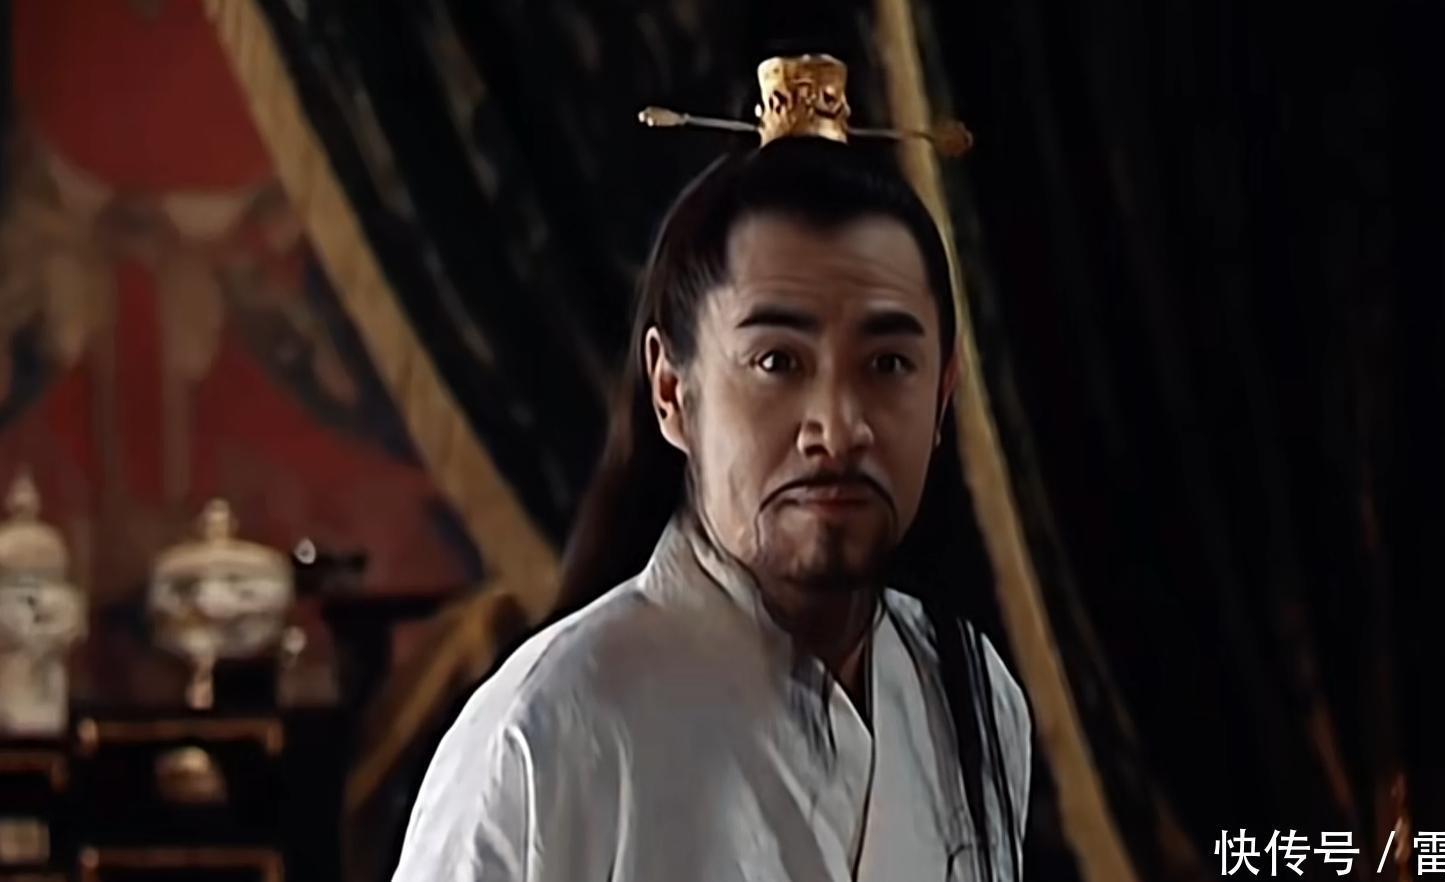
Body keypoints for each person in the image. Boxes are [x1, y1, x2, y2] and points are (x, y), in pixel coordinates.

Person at [391, 64, 1030, 881]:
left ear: (944, 392)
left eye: (888, 363)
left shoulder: (971, 695)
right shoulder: (544, 732)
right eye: (777, 361)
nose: (839, 427)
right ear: (672, 391)